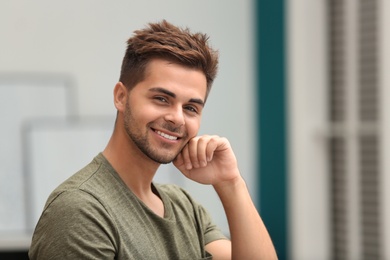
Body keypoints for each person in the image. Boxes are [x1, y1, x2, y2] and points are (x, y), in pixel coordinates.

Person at [29, 20, 277, 259]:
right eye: (161, 99)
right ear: (121, 97)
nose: (177, 118)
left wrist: (230, 183)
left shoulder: (185, 207)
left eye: (191, 108)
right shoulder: (81, 210)